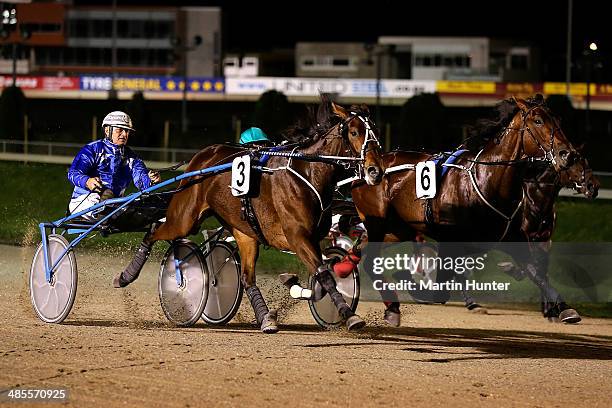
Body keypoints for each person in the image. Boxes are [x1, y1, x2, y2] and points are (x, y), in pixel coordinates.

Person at [67, 110, 161, 220]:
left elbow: (141, 180)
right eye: (120, 130)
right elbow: (73, 173)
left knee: (146, 206)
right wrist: (87, 181)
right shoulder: (92, 149)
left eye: (127, 131)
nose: (124, 134)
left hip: (115, 204)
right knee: (107, 195)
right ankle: (104, 212)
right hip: (84, 203)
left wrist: (150, 180)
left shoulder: (132, 157)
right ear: (107, 130)